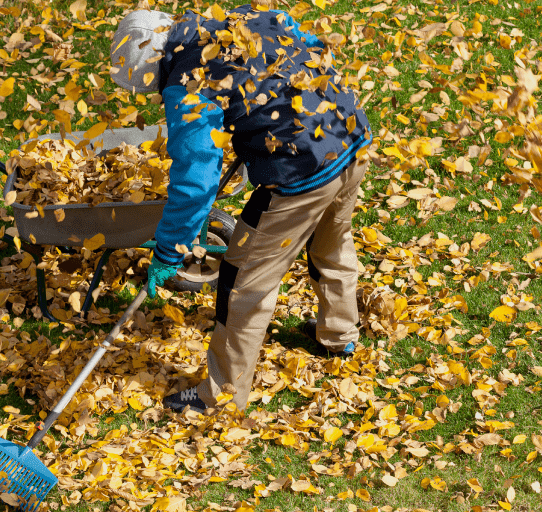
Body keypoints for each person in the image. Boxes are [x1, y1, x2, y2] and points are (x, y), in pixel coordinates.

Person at [109, 4, 372, 413]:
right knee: (331, 244)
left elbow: (196, 181)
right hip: (349, 135)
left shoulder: (188, 81)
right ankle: (339, 336)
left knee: (242, 281)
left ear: (153, 65)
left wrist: (170, 249)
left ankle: (223, 395)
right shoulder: (237, 18)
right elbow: (305, 45)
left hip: (300, 172)